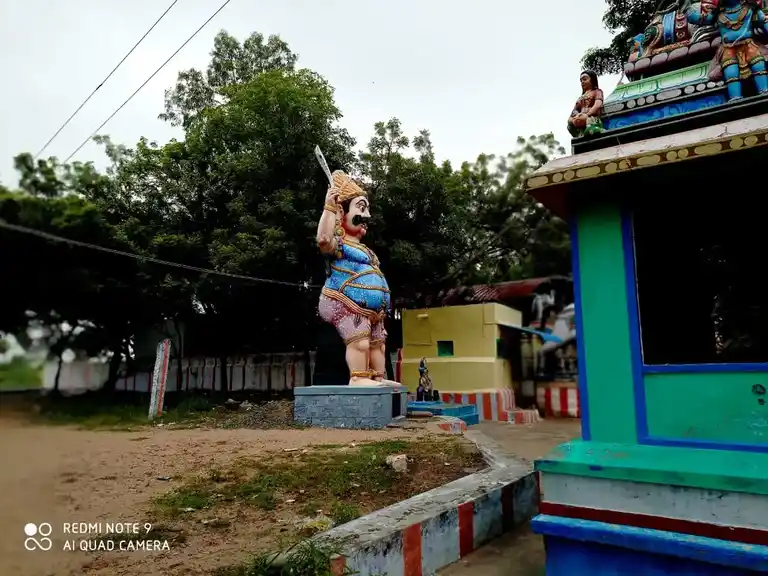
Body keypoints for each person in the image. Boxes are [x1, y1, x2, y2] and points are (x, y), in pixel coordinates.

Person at [316, 171, 390, 386]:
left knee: (378, 345)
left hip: (374, 311)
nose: (367, 216)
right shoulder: (339, 244)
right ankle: (358, 377)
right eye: (361, 208)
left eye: (367, 210)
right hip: (347, 304)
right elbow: (323, 239)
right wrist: (329, 208)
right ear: (342, 212)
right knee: (360, 343)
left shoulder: (366, 250)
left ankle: (378, 377)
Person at [567, 70, 604, 137]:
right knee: (569, 126)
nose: (582, 82)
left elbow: (598, 104)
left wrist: (587, 115)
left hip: (591, 118)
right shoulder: (580, 98)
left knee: (590, 130)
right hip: (580, 120)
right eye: (581, 80)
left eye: (585, 79)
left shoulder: (597, 91)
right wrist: (573, 119)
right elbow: (574, 111)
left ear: (592, 80)